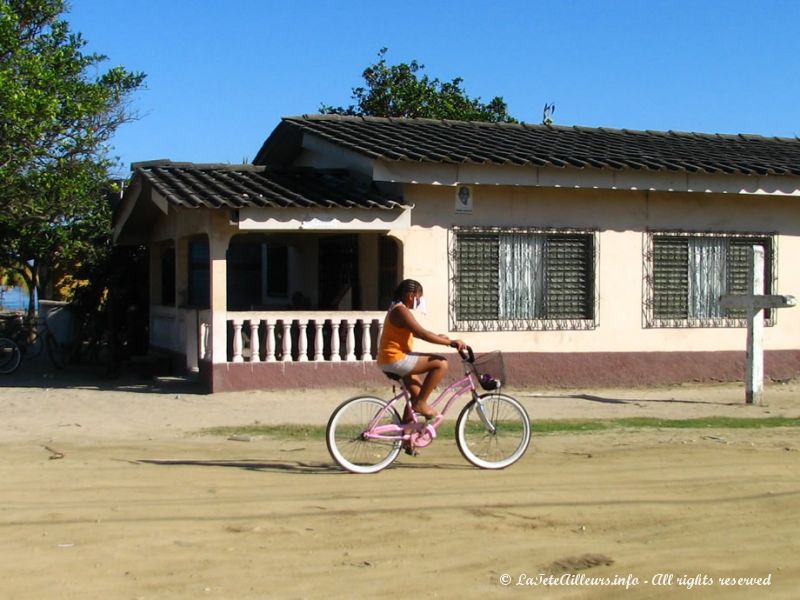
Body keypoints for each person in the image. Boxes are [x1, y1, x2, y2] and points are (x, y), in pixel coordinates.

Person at [377, 279, 466, 421]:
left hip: (389, 359)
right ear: (411, 296)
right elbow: (422, 334)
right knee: (441, 363)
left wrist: (439, 338)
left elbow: (417, 333)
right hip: (395, 358)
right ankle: (421, 404)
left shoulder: (398, 309)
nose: (419, 302)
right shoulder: (401, 311)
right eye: (419, 298)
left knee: (417, 395)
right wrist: (450, 342)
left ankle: (407, 437)